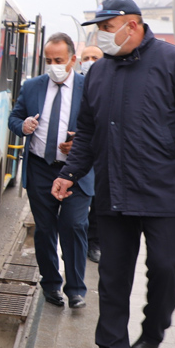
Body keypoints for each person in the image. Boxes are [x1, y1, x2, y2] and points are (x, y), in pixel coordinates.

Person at [52, 0, 175, 348]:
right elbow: (87, 132)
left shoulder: (174, 62)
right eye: (98, 29)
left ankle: (151, 336)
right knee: (113, 277)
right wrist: (70, 173)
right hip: (114, 191)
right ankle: (110, 347)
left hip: (168, 191)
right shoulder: (99, 73)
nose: (101, 36)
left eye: (106, 28)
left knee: (164, 267)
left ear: (132, 25)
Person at [9, 32, 94, 310]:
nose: (53, 65)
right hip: (41, 168)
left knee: (73, 225)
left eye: (59, 60)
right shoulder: (32, 86)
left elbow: (102, 127)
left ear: (72, 59)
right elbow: (15, 117)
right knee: (45, 230)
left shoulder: (89, 87)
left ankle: (76, 289)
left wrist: (80, 142)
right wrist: (23, 127)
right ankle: (51, 285)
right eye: (48, 60)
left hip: (76, 171)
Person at [79, 45, 103, 263]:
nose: (90, 61)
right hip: (78, 153)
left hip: (102, 154)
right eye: (86, 58)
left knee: (98, 200)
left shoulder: (109, 83)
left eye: (95, 57)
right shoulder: (76, 85)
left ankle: (94, 242)